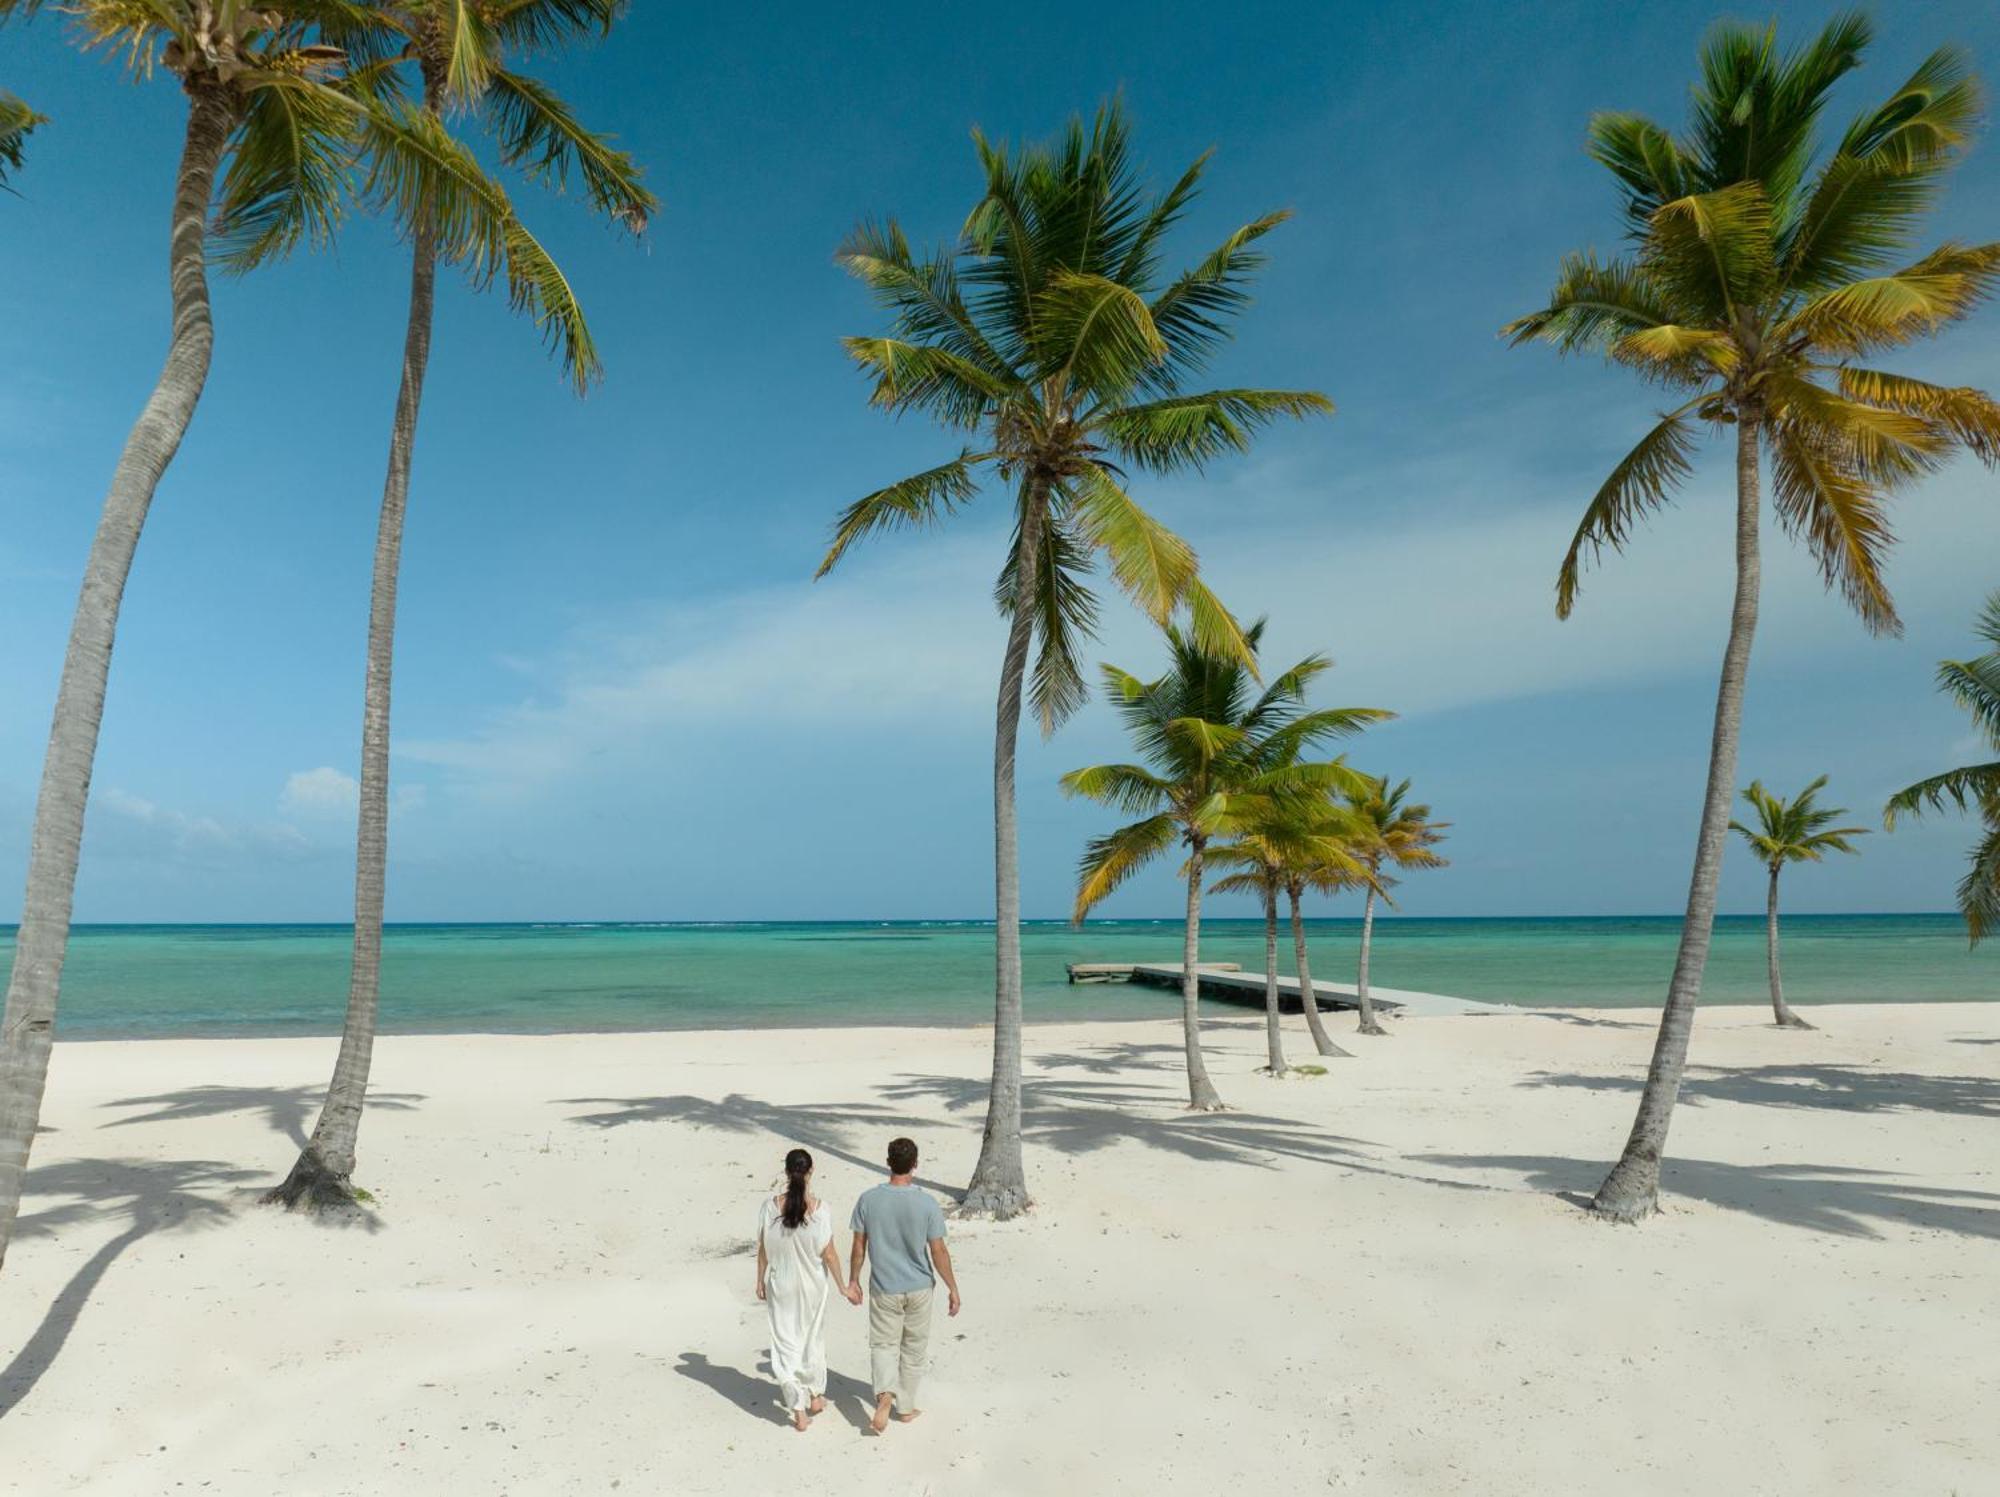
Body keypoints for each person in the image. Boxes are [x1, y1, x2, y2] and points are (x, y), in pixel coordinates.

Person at [848, 1136, 962, 1434]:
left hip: (884, 1286)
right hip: (920, 1286)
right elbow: (938, 1250)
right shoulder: (926, 1202)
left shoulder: (868, 1200)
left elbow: (859, 1246)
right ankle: (906, 1407)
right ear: (915, 1165)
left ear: (888, 1163)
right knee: (913, 1348)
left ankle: (885, 1394)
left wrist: (853, 1280)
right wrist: (953, 1287)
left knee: (884, 1344)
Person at [755, 1147, 861, 1432]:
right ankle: (815, 1396)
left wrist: (759, 1280)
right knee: (812, 1338)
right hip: (813, 1285)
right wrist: (843, 1286)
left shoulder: (770, 1207)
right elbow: (829, 1254)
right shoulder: (820, 1209)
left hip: (780, 1283)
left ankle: (800, 1404)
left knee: (785, 1340)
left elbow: (763, 1247)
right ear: (810, 1171)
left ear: (787, 1172)